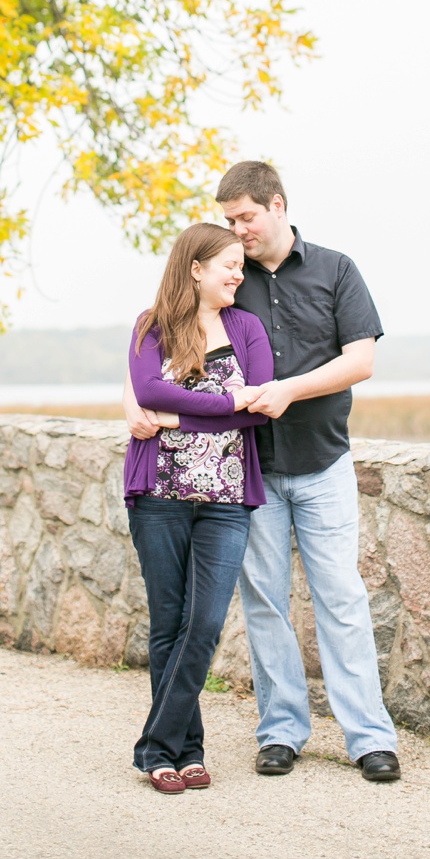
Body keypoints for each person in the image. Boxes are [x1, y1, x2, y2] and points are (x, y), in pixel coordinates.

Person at [125, 161, 399, 784]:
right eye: (229, 221)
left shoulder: (336, 269)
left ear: (278, 205)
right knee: (266, 605)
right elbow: (159, 334)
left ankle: (370, 738)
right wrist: (130, 403)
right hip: (250, 472)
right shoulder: (229, 279)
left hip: (323, 460)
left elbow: (362, 360)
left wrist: (288, 391)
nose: (238, 231)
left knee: (342, 598)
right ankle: (281, 733)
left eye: (246, 217)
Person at [121, 222, 273, 793]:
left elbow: (258, 410)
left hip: (226, 498)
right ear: (195, 268)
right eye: (229, 264)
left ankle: (153, 744)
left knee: (204, 623)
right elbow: (150, 391)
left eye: (241, 264)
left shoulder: (247, 328)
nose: (239, 273)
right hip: (158, 494)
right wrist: (227, 400)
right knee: (169, 624)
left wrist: (185, 417)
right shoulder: (152, 325)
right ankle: (183, 753)